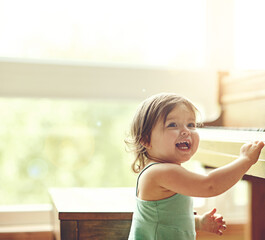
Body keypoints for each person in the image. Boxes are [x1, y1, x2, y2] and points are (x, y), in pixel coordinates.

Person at [125, 92, 264, 240]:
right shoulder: (160, 172)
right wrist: (245, 160)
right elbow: (210, 185)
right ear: (146, 140)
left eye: (191, 124)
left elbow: (168, 218)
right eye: (172, 125)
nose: (186, 131)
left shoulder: (165, 170)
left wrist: (198, 222)